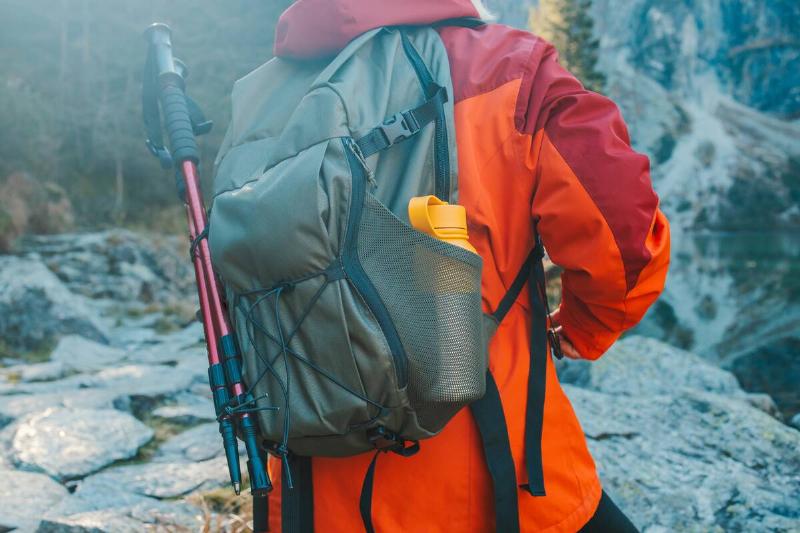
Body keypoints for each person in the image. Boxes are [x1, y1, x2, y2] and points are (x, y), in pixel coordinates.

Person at [265, 0, 670, 531]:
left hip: (307, 491)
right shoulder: (510, 67)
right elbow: (623, 233)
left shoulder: (270, 91)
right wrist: (583, 328)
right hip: (489, 481)